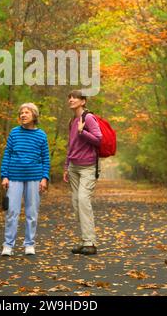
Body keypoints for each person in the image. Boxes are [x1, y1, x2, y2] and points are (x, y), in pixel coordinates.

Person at [0, 102, 50, 256]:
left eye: (26, 112)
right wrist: (5, 176)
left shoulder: (41, 135)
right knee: (12, 212)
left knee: (32, 213)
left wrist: (44, 178)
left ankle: (29, 244)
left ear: (34, 115)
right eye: (21, 112)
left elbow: (45, 159)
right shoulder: (14, 133)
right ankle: (8, 245)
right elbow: (7, 154)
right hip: (14, 177)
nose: (23, 115)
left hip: (35, 177)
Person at [63, 90, 102, 255]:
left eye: (75, 97)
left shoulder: (89, 118)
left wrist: (82, 132)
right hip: (74, 167)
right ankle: (84, 239)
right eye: (69, 97)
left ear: (83, 101)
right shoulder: (72, 120)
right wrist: (66, 166)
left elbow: (98, 139)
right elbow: (71, 144)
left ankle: (90, 243)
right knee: (76, 204)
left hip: (88, 167)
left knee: (83, 201)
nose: (71, 99)